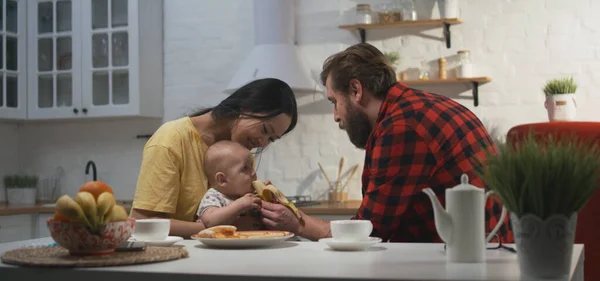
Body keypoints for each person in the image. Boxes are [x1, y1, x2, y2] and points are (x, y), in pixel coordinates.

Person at [259, 43, 514, 243]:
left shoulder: (401, 127)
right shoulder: (420, 107)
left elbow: (368, 230)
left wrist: (296, 222)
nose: (336, 115)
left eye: (334, 102)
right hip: (487, 250)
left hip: (465, 262)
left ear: (356, 90)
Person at [131, 78, 298, 238]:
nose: (262, 143)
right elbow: (142, 222)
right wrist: (220, 228)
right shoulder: (170, 141)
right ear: (246, 107)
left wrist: (264, 205)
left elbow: (240, 210)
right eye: (264, 129)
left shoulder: (241, 153)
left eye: (271, 139)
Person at [195, 140, 263, 230]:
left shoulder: (247, 195)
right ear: (222, 180)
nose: (254, 172)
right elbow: (209, 221)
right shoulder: (214, 196)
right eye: (245, 168)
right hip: (216, 243)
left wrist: (268, 197)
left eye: (252, 166)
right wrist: (240, 204)